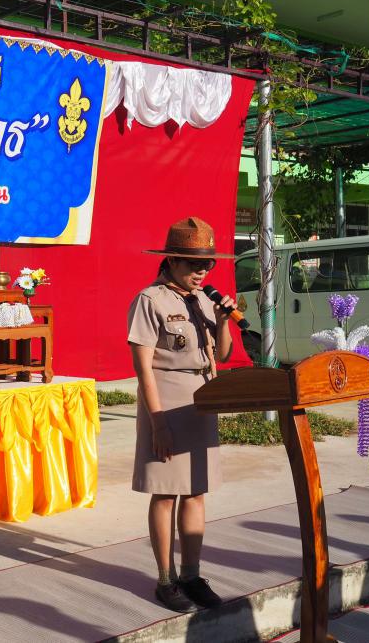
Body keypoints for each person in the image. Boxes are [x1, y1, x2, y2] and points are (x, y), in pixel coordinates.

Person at [127, 216, 237, 613]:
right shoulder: (150, 300)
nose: (202, 271)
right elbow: (143, 368)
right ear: (171, 260)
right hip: (166, 399)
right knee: (165, 492)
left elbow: (223, 354)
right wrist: (158, 423)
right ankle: (166, 579)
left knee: (195, 491)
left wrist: (223, 322)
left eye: (207, 264)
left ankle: (192, 575)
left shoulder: (206, 299)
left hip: (201, 398)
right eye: (193, 264)